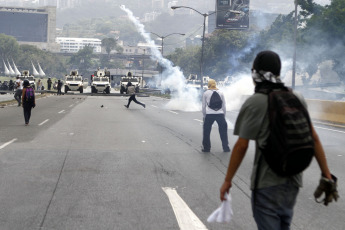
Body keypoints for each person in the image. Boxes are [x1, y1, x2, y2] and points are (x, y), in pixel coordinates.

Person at [220, 51, 336, 230]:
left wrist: (228, 180)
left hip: (266, 184)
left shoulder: (255, 101)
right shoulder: (296, 97)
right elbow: (314, 138)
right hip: (293, 181)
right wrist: (326, 175)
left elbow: (241, 145)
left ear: (255, 74)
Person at [202, 79, 230, 152]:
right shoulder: (221, 93)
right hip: (220, 114)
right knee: (223, 132)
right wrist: (223, 115)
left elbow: (203, 106)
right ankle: (226, 148)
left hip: (209, 114)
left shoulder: (205, 93)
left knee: (206, 132)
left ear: (208, 85)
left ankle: (206, 148)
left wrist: (204, 116)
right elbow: (224, 105)